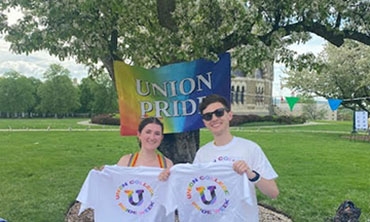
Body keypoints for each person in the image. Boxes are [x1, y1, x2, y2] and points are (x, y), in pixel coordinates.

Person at [193, 94, 279, 221]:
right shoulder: (202, 154)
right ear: (204, 122)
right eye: (208, 116)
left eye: (219, 113)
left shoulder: (250, 148)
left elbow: (273, 192)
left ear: (229, 115)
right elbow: (194, 190)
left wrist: (251, 174)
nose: (214, 118)